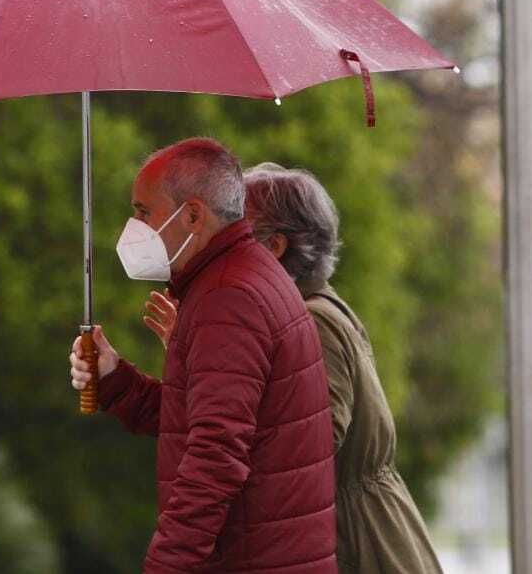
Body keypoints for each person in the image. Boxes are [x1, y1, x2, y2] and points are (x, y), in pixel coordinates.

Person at [143, 163, 443, 574]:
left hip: (357, 547)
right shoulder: (302, 313)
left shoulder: (311, 323)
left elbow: (308, 444)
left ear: (274, 247)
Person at [68, 139, 336, 574]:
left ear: (192, 215)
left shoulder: (228, 297)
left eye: (142, 211)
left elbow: (216, 451)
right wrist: (114, 377)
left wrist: (166, 565)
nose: (133, 226)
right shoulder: (237, 278)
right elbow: (194, 418)